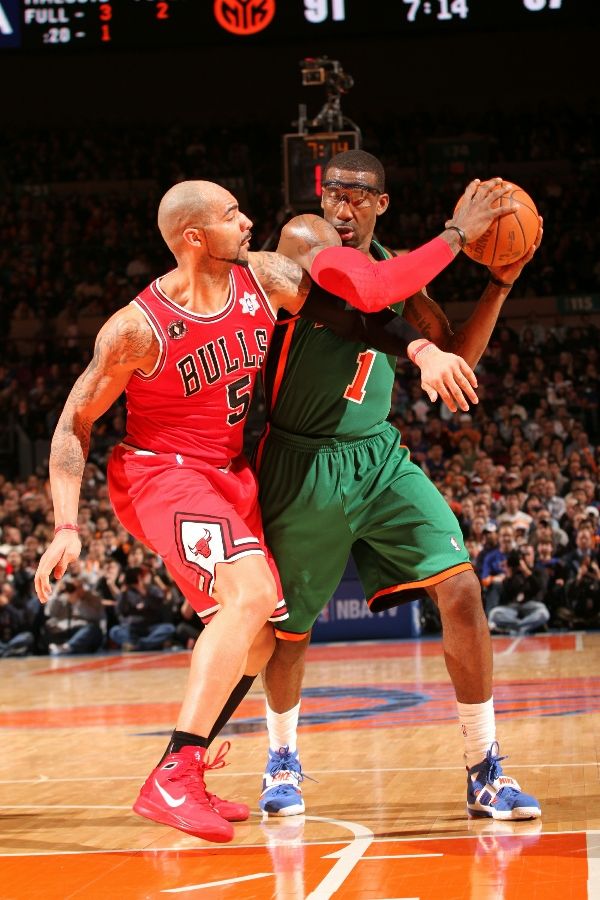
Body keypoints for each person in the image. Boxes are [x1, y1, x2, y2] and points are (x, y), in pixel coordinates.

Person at [33, 177, 511, 843]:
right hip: (164, 475)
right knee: (254, 596)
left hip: (231, 473)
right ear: (196, 238)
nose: (249, 220)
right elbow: (73, 423)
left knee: (261, 633)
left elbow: (357, 316)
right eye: (233, 214)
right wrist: (65, 525)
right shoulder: (134, 330)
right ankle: (174, 772)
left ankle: (185, 773)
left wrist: (424, 349)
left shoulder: (264, 278)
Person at [256, 151, 543, 822]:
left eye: (358, 197)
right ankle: (282, 759)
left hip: (378, 457)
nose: (343, 208)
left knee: (463, 589)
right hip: (303, 461)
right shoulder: (305, 238)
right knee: (290, 631)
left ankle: (484, 767)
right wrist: (456, 234)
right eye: (335, 195)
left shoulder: (398, 268)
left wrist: (500, 283)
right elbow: (366, 293)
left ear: (381, 204)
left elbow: (457, 355)